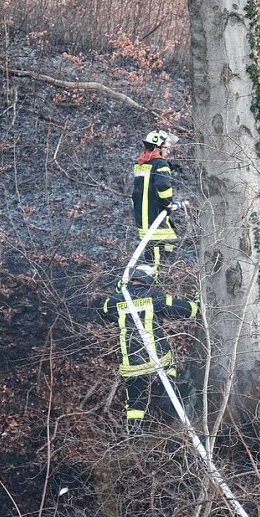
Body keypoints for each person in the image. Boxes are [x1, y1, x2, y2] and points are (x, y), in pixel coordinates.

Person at [101, 264, 199, 432]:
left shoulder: (115, 301)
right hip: (157, 359)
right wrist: (197, 302)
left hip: (131, 362)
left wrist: (119, 289)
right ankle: (171, 416)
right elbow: (186, 310)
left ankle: (133, 436)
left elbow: (105, 310)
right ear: (148, 279)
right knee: (170, 380)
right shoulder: (154, 297)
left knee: (134, 404)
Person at [132, 130, 180, 277]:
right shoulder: (160, 164)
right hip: (156, 219)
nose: (168, 150)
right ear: (158, 147)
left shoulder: (141, 164)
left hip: (143, 220)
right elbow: (163, 186)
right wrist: (168, 205)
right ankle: (160, 282)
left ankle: (158, 279)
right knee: (160, 257)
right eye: (166, 147)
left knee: (152, 254)